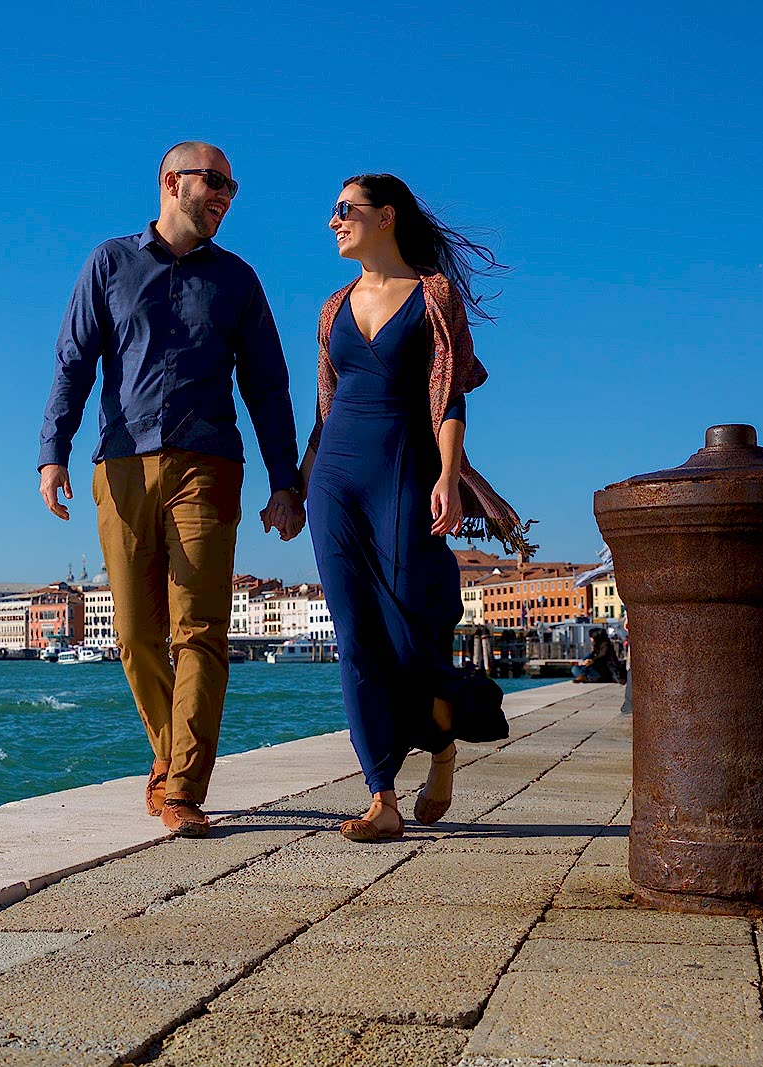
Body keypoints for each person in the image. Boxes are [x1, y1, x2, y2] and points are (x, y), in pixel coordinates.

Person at [37, 141, 303, 838]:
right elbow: (74, 361)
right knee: (133, 634)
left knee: (200, 630)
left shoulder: (239, 281)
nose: (223, 195)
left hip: (208, 465)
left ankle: (183, 785)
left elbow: (268, 385)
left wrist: (286, 481)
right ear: (169, 182)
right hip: (120, 466)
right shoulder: (110, 262)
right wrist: (52, 453)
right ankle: (167, 752)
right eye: (212, 181)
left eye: (231, 187)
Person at [300, 173, 532, 841]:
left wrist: (451, 475)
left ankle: (443, 744)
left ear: (387, 218)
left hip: (405, 467)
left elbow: (451, 397)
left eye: (345, 209)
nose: (333, 221)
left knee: (408, 631)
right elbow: (323, 405)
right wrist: (293, 485)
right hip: (335, 479)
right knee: (354, 637)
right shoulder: (331, 308)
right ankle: (382, 795)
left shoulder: (433, 296)